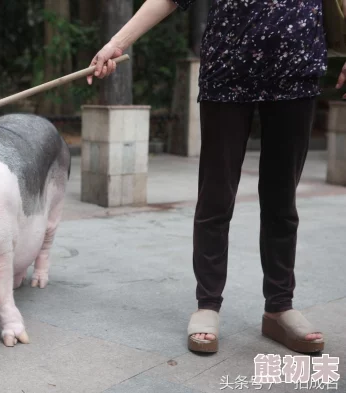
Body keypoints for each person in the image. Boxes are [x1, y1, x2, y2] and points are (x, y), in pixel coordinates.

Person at [87, 0, 342, 353]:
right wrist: (118, 42)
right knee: (215, 197)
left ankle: (280, 307)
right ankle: (207, 304)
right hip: (228, 71)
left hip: (297, 72)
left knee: (281, 199)